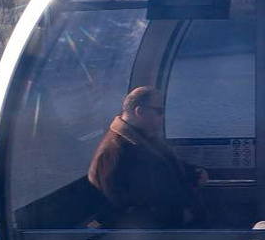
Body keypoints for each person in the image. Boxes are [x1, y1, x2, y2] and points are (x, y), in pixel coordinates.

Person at [87, 86, 206, 228]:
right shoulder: (115, 150)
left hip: (168, 226)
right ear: (140, 112)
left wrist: (193, 173)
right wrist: (178, 213)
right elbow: (121, 205)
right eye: (159, 112)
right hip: (148, 238)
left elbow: (165, 169)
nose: (163, 117)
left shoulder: (146, 139)